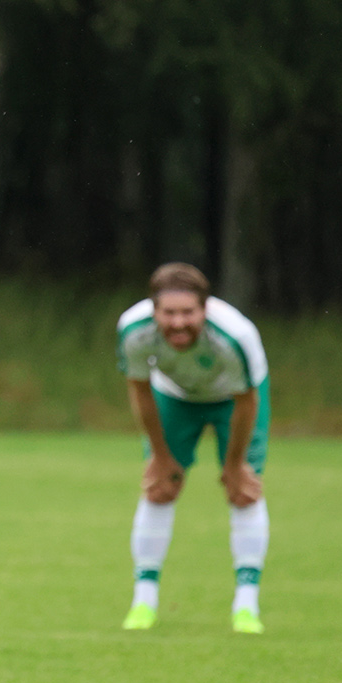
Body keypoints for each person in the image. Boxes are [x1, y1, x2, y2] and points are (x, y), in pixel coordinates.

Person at [116, 262, 270, 634]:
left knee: (243, 490)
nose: (178, 323)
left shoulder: (235, 335)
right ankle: (144, 602)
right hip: (174, 396)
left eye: (188, 312)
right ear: (154, 310)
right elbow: (138, 390)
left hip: (233, 400)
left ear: (206, 308)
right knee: (159, 488)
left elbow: (246, 402)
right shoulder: (133, 331)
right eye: (169, 313)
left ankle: (245, 606)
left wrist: (234, 465)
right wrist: (161, 455)